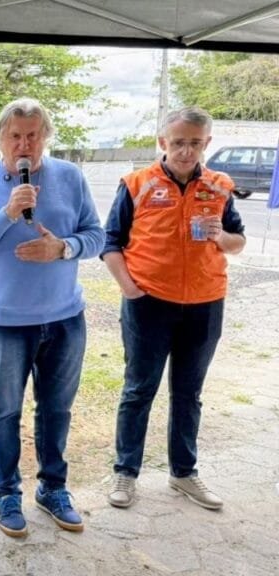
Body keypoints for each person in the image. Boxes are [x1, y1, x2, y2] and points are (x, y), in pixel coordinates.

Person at [0, 98, 105, 538]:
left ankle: (53, 488)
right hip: (4, 321)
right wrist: (6, 213)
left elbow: (96, 236)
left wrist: (63, 248)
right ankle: (6, 493)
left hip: (64, 318)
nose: (25, 144)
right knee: (4, 411)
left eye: (33, 134)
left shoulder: (70, 177)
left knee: (56, 409)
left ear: (46, 137)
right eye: (15, 135)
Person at [103, 107, 245, 511]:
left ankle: (183, 473)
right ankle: (126, 472)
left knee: (188, 393)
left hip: (205, 303)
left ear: (207, 144)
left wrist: (223, 238)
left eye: (195, 143)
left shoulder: (219, 187)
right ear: (163, 142)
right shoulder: (136, 184)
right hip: (149, 304)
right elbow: (111, 242)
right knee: (138, 390)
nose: (186, 151)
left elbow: (239, 242)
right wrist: (131, 290)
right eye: (178, 142)